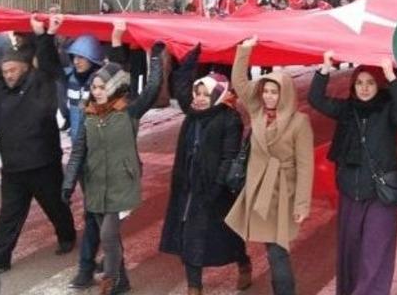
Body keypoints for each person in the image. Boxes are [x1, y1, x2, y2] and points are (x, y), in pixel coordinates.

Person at [0, 14, 77, 271]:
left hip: (42, 163)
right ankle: (0, 258)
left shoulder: (39, 82)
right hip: (13, 167)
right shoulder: (1, 83)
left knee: (55, 206)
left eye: (13, 70)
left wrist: (43, 36)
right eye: (5, 71)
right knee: (9, 216)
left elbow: (48, 66)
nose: (8, 75)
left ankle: (67, 235)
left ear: (25, 69)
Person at [308, 51, 397, 295]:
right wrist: (324, 69)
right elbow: (316, 99)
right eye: (359, 82)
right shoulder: (347, 109)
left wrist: (392, 78)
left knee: (374, 253)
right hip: (350, 192)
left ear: (378, 85)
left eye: (370, 82)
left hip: (381, 195)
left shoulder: (389, 109)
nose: (365, 88)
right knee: (351, 252)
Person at [62, 39, 165, 294]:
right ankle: (123, 281)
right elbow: (78, 152)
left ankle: (109, 280)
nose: (96, 91)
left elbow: (152, 89)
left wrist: (155, 59)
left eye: (101, 86)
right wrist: (68, 183)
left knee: (108, 235)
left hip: (121, 182)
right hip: (95, 183)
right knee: (110, 238)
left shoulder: (129, 111)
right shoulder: (88, 114)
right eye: (94, 87)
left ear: (113, 86)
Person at [225, 36, 314, 295]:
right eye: (266, 91)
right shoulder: (257, 112)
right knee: (271, 250)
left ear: (284, 93)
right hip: (257, 189)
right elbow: (240, 83)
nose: (269, 96)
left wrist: (301, 204)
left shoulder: (300, 122)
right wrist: (245, 50)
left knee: (278, 253)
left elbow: (305, 166)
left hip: (282, 195)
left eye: (274, 91)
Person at [160, 44, 251, 295]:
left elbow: (229, 157)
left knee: (226, 236)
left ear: (217, 95)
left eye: (204, 94)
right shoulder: (193, 115)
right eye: (197, 93)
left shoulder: (228, 118)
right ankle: (194, 286)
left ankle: (243, 262)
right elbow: (179, 86)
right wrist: (191, 58)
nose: (198, 98)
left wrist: (215, 188)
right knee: (189, 235)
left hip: (214, 191)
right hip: (188, 187)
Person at [68, 23, 132, 291]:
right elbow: (49, 66)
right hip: (85, 161)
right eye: (74, 56)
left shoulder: (104, 83)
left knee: (100, 222)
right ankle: (116, 275)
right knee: (97, 220)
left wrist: (116, 41)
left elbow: (116, 73)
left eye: (82, 57)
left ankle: (90, 270)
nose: (77, 61)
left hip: (109, 166)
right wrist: (45, 35)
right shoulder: (70, 78)